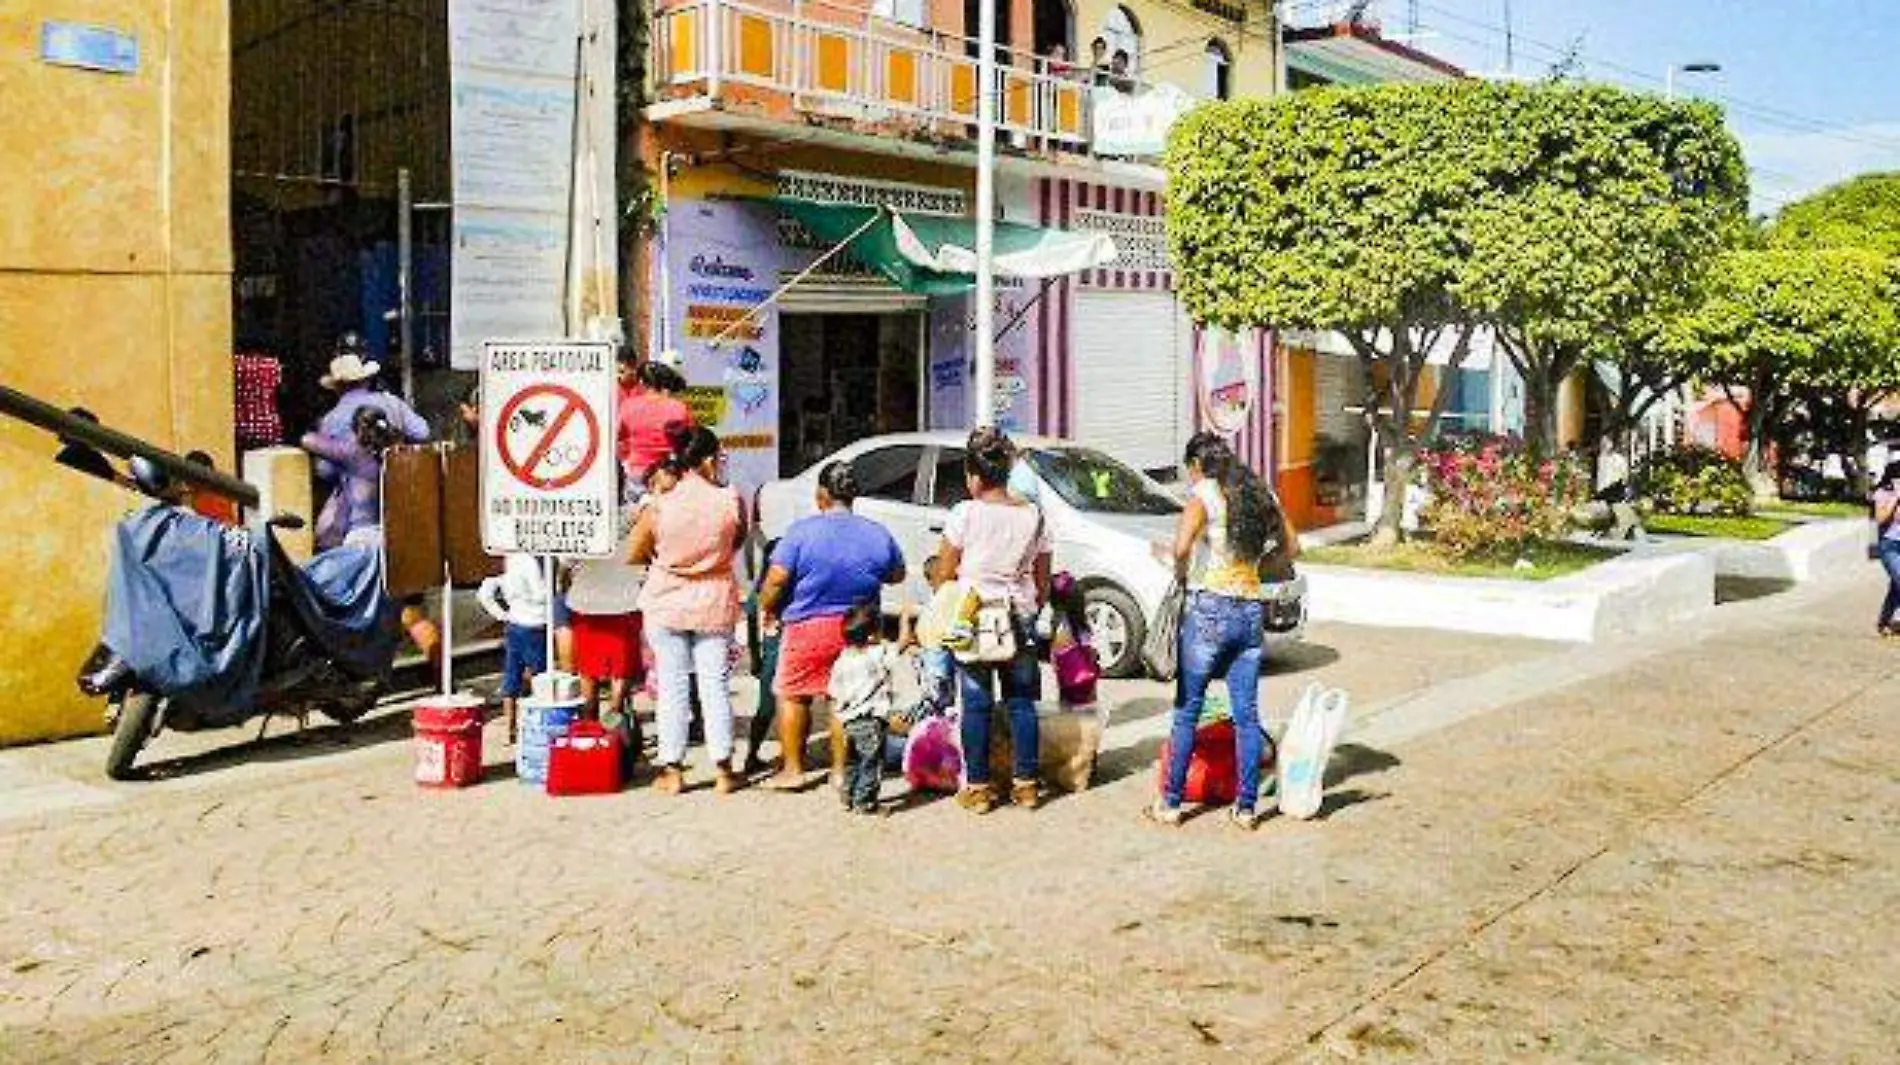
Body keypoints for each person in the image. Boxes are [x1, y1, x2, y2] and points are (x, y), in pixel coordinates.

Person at [1148, 432, 1298, 830]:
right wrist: (1255, 569)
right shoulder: (1259, 493)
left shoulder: (1204, 496)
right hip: (1249, 612)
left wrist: (1170, 561)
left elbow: (1181, 550)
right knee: (1247, 716)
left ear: (1197, 464)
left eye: (1189, 470)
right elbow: (1293, 547)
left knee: (1187, 710)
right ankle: (1246, 809)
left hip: (1209, 611)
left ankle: (1171, 804)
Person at [757, 461, 907, 790]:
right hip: (858, 629)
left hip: (806, 627)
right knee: (844, 700)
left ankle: (793, 769)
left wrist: (766, 607)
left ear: (821, 495)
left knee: (793, 695)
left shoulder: (800, 532)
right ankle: (841, 772)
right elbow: (896, 574)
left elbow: (777, 579)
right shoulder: (876, 532)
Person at [931, 427, 1052, 814]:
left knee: (978, 704)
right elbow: (1043, 580)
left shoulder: (964, 514)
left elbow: (945, 573)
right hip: (1019, 615)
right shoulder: (1034, 517)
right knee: (1021, 704)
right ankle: (1027, 786)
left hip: (974, 617)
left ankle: (980, 789)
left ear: (974, 476)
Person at [630, 424, 746, 795]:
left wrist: (665, 559)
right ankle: (724, 769)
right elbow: (736, 542)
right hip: (713, 600)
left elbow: (634, 552)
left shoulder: (660, 505)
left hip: (666, 599)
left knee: (672, 686)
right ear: (710, 460)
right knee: (714, 685)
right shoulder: (731, 500)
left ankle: (673, 769)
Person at [566, 479, 646, 749]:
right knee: (620, 669)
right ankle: (615, 720)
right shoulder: (635, 515)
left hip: (587, 602)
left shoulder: (579, 517)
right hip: (625, 601)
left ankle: (589, 723)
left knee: (588, 668)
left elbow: (566, 561)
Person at [828, 601, 900, 814]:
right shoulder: (873, 657)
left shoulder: (841, 660)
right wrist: (904, 621)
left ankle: (848, 795)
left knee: (853, 761)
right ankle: (866, 803)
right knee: (871, 763)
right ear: (871, 636)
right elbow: (899, 648)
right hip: (871, 720)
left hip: (848, 720)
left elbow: (833, 693)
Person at [314, 333, 429, 464]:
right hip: (395, 480)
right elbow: (422, 432)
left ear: (337, 387)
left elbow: (325, 470)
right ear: (366, 380)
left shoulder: (330, 420)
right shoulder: (391, 402)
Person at [299, 406, 401, 550]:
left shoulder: (356, 455)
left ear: (356, 430)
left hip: (361, 537)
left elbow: (307, 440)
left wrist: (334, 436)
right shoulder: (390, 455)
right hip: (383, 535)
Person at [477, 553, 551, 741]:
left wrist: (502, 614)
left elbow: (485, 592)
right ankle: (537, 725)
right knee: (540, 677)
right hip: (536, 624)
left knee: (512, 675)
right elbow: (540, 593)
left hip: (515, 623)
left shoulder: (510, 559)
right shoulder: (532, 560)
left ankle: (510, 727)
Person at [617, 348, 694, 479]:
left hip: (636, 472)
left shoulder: (628, 406)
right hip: (668, 475)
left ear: (642, 382)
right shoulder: (679, 408)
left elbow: (617, 436)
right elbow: (690, 442)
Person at [1595, 435, 1646, 542]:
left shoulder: (1618, 458)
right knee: (1609, 510)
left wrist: (1620, 484)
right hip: (1604, 489)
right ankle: (1615, 529)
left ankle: (1624, 529)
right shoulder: (1601, 458)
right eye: (1602, 442)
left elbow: (1624, 474)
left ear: (1612, 444)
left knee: (1617, 508)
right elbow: (1601, 474)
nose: (1604, 444)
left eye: (1607, 442)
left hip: (1615, 488)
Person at [1872, 460, 1900, 638]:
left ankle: (1884, 622)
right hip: (1889, 545)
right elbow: (1880, 519)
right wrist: (1895, 498)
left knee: (1896, 588)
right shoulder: (1882, 494)